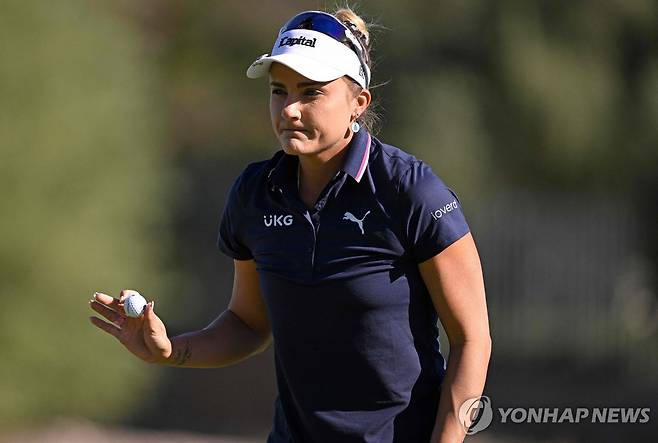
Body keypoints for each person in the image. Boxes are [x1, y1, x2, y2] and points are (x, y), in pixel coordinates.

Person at [89, 6, 491, 443]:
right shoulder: (254, 194)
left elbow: (471, 342)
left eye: (312, 92)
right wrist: (171, 350)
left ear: (359, 103)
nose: (290, 109)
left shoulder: (410, 190)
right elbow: (247, 325)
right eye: (279, 91)